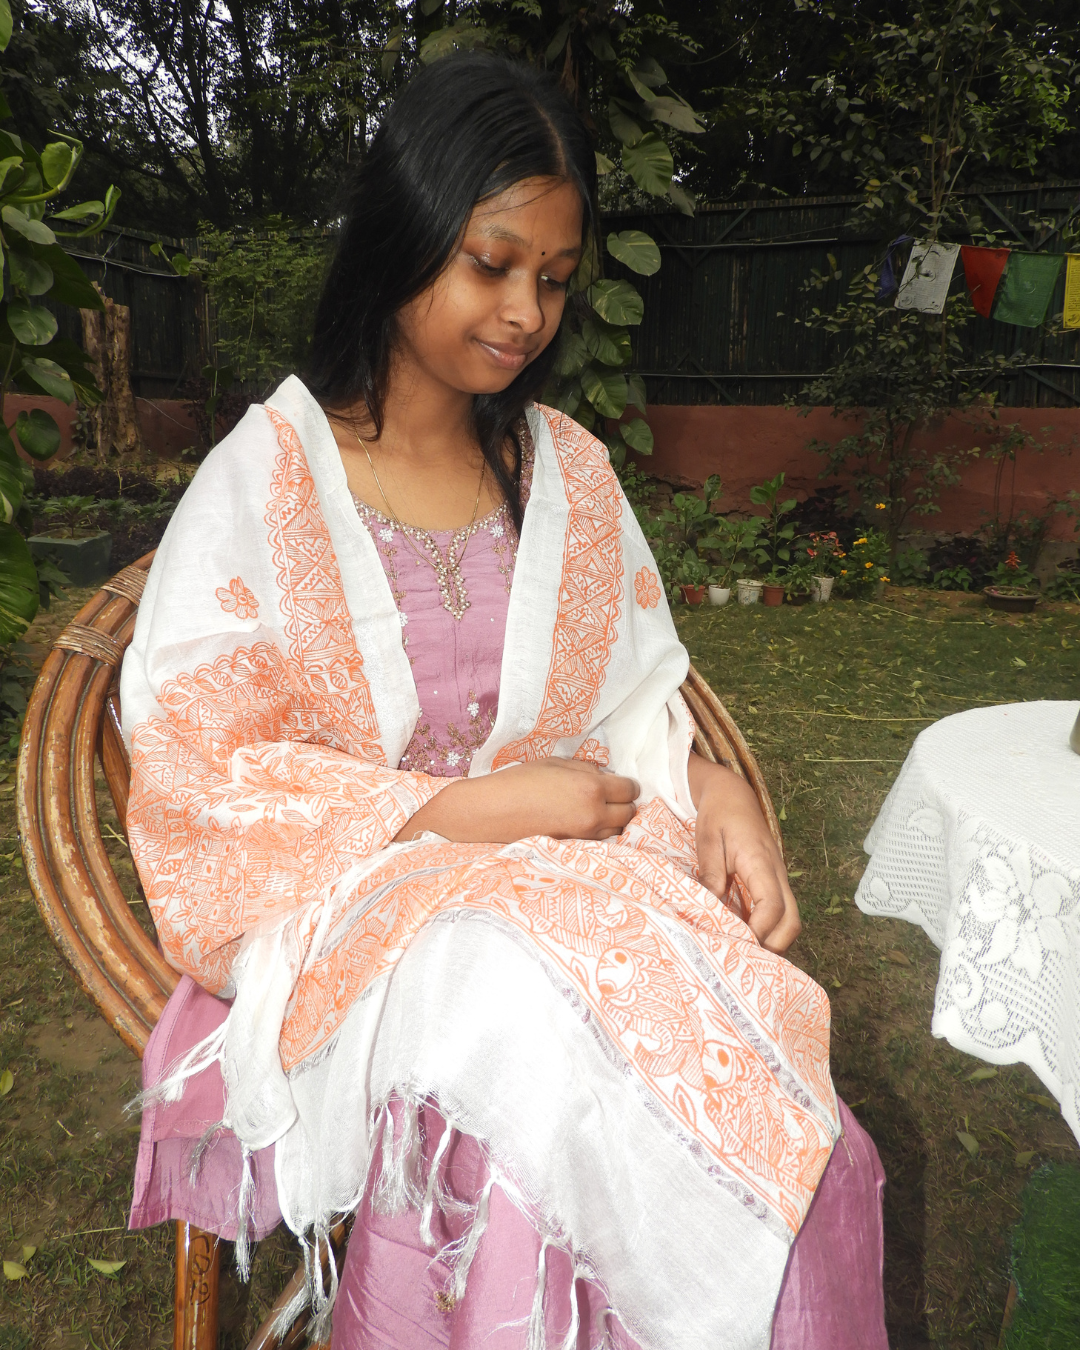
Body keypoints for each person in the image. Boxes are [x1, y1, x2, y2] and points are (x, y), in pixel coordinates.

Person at [122, 53, 887, 1350]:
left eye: (554, 276)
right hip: (355, 926)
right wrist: (468, 812)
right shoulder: (268, 482)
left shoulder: (568, 475)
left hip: (573, 900)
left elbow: (641, 700)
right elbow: (205, 778)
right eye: (492, 262)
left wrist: (718, 789)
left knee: (781, 1120)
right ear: (405, 233)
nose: (526, 310)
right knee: (523, 1050)